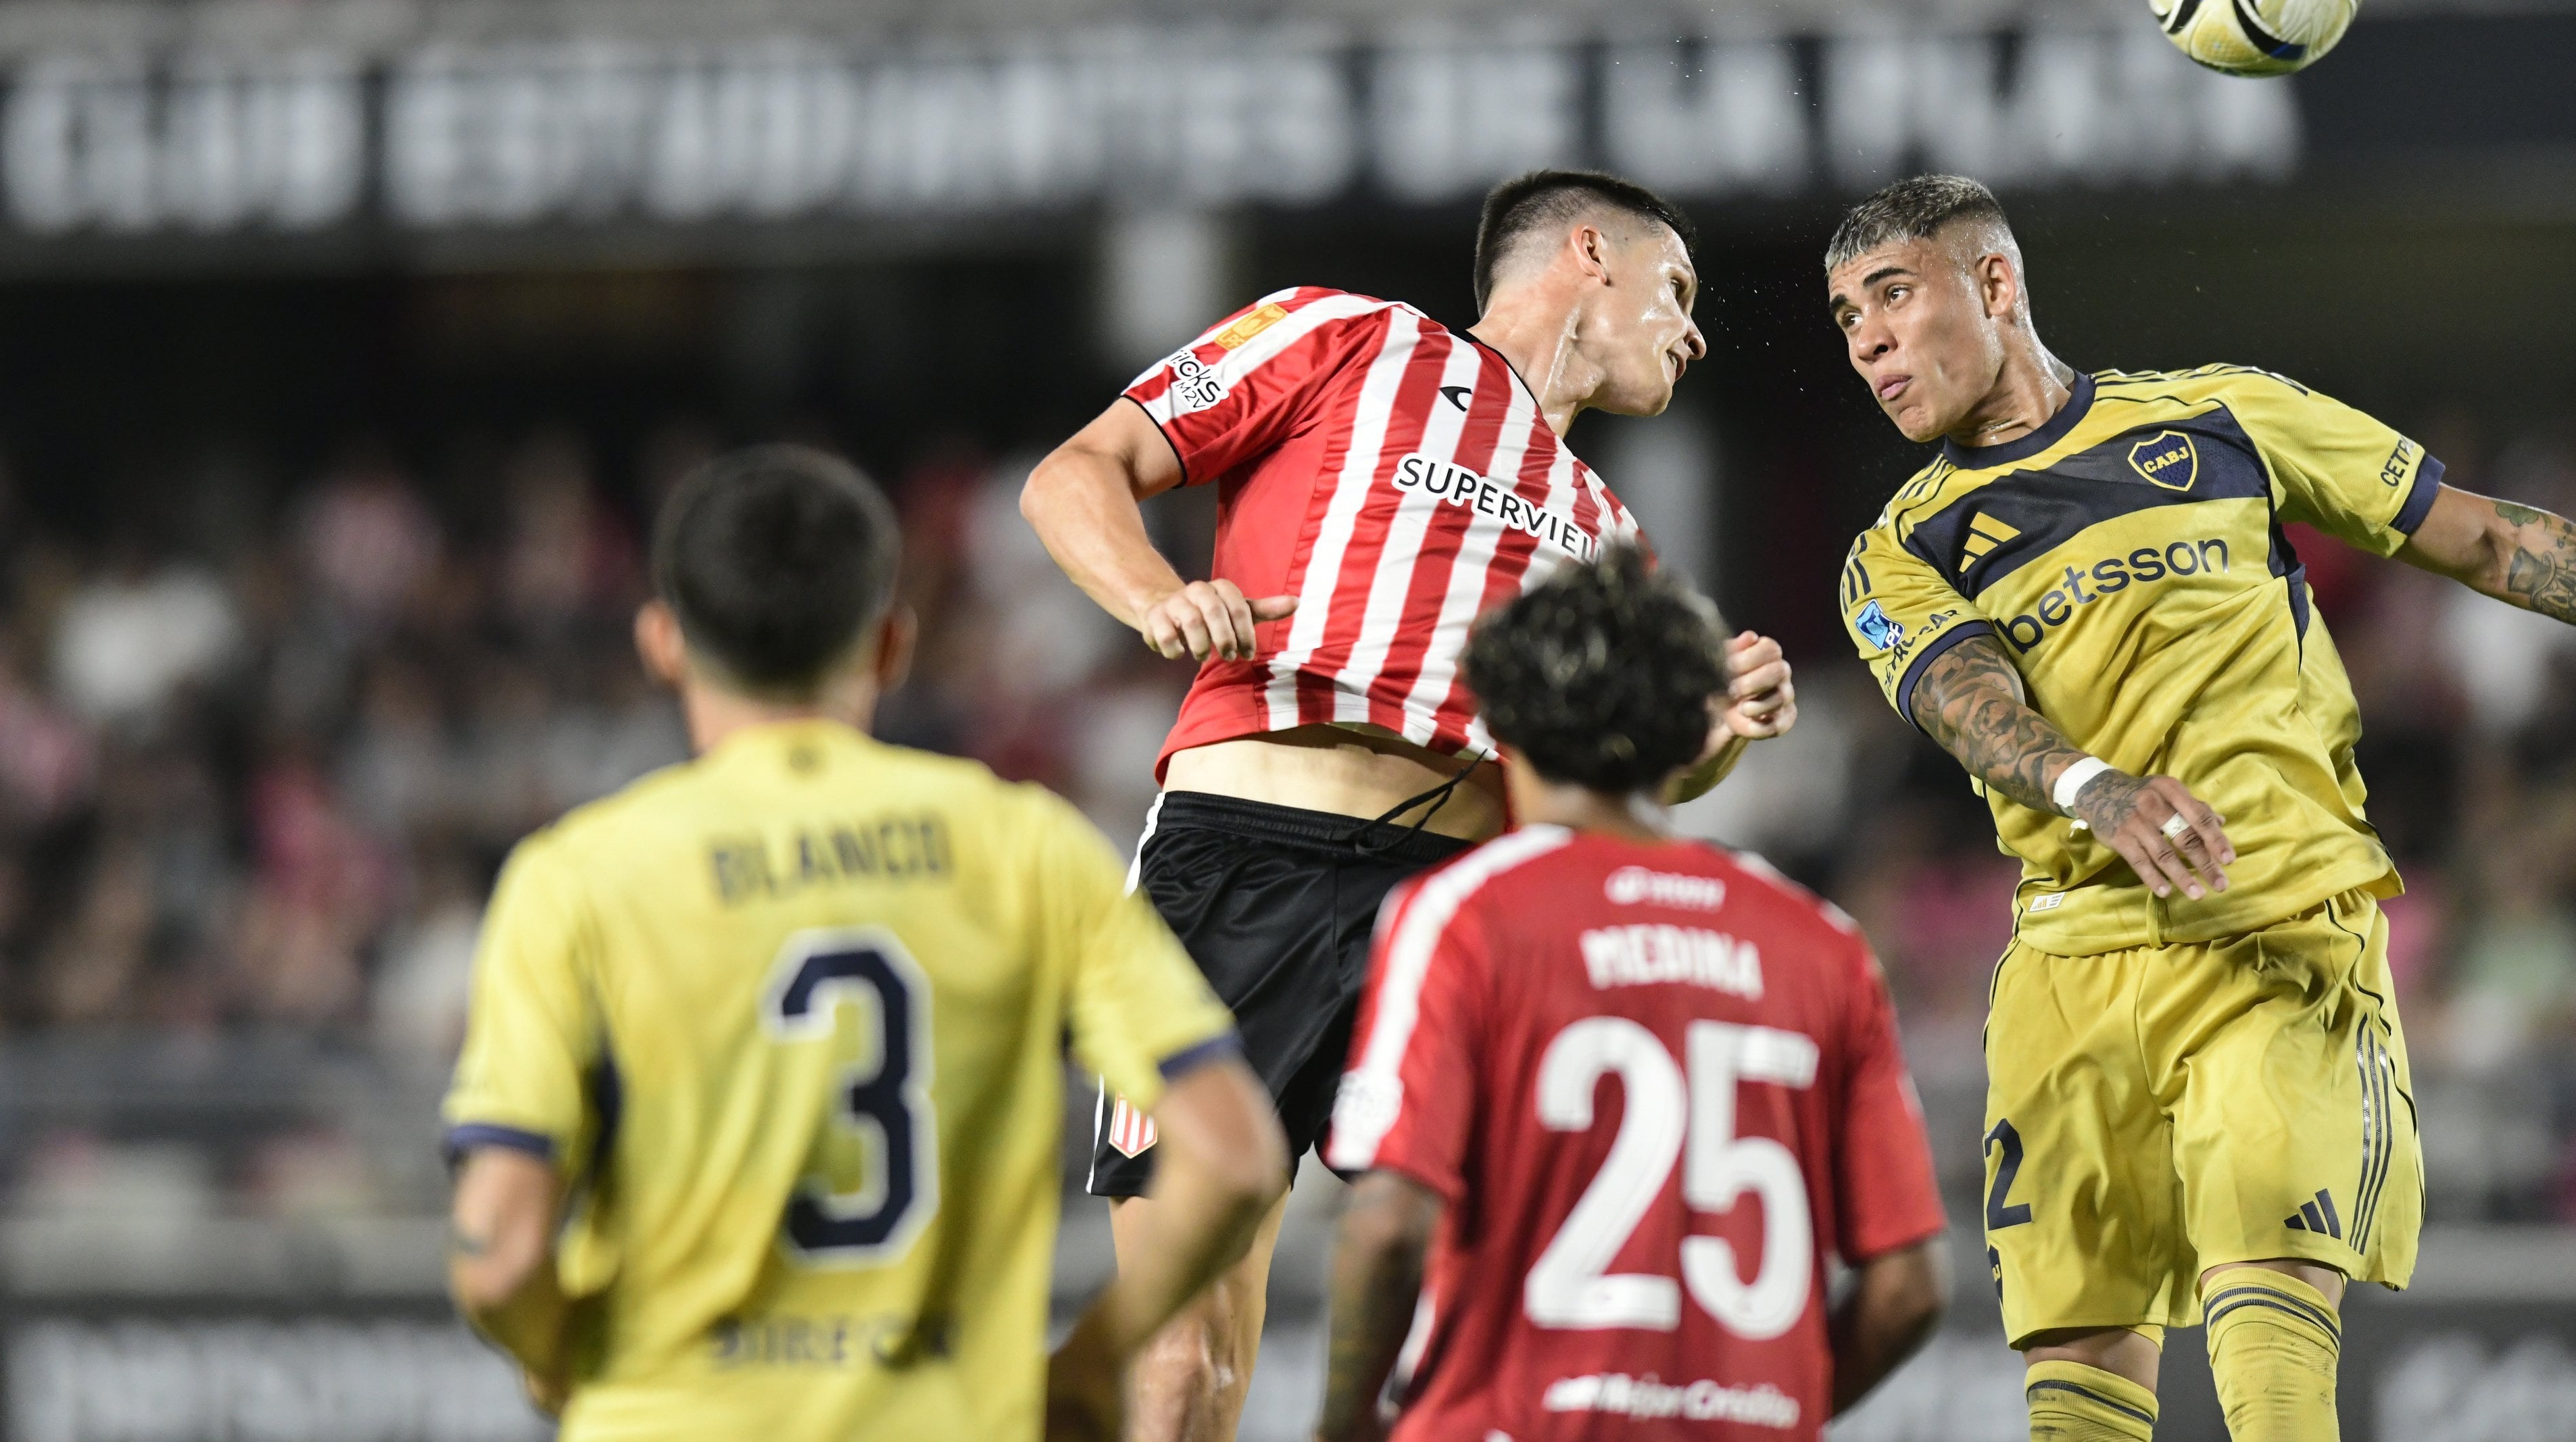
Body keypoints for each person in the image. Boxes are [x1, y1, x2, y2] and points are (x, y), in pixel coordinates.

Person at [1020, 169, 1799, 1440]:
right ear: (1589, 252)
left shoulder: (1616, 541)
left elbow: (1624, 784)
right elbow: (1077, 471)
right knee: (1184, 1364)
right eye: (1679, 289)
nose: (1695, 333)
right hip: (1240, 868)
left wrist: (1716, 734)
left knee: (1504, 1332)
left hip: (1455, 916)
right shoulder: (1347, 337)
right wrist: (1157, 595)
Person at [1824, 174, 2576, 1442]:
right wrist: (2092, 785)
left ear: (1995, 283)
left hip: (2271, 920)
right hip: (2067, 966)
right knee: (2079, 1397)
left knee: (2271, 1359)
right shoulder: (1897, 549)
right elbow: (1962, 693)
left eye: (1892, 296)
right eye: (1848, 319)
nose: (1868, 341)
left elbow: (2483, 540)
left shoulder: (2224, 415)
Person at [442, 445, 1288, 1442]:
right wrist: (1092, 1367)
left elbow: (497, 1253)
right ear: (891, 644)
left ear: (662, 643)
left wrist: (558, 1358)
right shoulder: (1025, 848)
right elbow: (1233, 1154)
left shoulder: (578, 877)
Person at [1314, 547, 1951, 1442]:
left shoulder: (1466, 912)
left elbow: (1387, 1227)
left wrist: (1342, 1427)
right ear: (1695, 728)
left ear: (1503, 719)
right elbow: (1909, 1286)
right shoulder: (1823, 944)